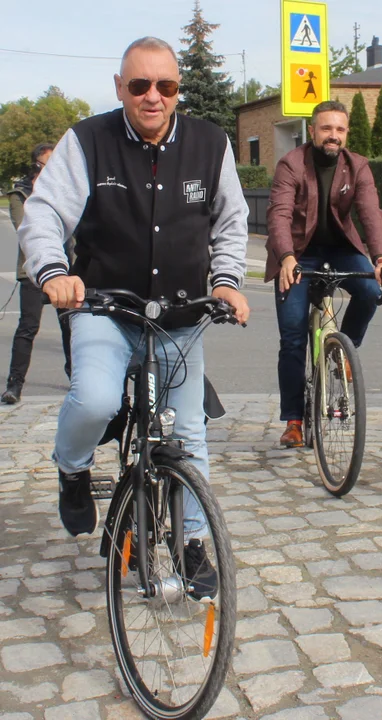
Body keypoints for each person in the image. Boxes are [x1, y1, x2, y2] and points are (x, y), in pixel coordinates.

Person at [18, 36, 251, 592]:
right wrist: (54, 272)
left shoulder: (210, 143)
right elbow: (44, 212)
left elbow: (231, 222)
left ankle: (193, 543)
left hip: (182, 314)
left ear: (177, 91)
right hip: (104, 307)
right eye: (140, 85)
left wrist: (226, 283)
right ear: (120, 87)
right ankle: (72, 470)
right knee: (95, 399)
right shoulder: (87, 141)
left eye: (165, 86)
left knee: (189, 432)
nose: (153, 96)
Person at [267, 100, 382, 448]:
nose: (333, 136)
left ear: (346, 134)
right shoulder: (291, 164)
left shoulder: (358, 166)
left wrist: (381, 259)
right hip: (297, 253)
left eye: (339, 129)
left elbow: (371, 213)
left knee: (371, 291)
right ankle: (294, 420)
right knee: (293, 336)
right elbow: (279, 214)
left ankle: (343, 352)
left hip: (341, 249)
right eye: (326, 128)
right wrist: (285, 257)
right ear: (313, 131)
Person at [3, 143, 73, 404]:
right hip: (33, 271)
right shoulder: (19, 194)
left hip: (66, 271)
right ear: (37, 167)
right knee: (28, 327)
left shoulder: (64, 191)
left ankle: (75, 378)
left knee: (70, 327)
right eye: (49, 164)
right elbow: (27, 230)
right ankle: (15, 384)